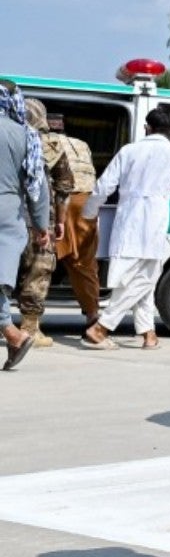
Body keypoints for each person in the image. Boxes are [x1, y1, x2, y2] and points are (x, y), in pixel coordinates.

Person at [80, 107, 170, 349]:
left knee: (137, 280)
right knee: (146, 279)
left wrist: (89, 212)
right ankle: (101, 328)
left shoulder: (128, 151)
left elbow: (104, 185)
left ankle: (149, 335)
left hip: (127, 221)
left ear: (146, 127)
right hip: (153, 223)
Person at [13, 99, 75, 352]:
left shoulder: (8, 138)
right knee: (37, 272)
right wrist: (60, 221)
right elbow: (64, 187)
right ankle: (29, 328)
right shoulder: (50, 144)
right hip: (40, 222)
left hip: (8, 218)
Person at [0, 82, 50, 369]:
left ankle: (13, 335)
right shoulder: (27, 135)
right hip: (11, 217)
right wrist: (41, 226)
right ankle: (13, 335)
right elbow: (38, 186)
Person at [47, 111, 101, 326]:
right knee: (84, 263)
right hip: (85, 202)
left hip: (56, 201)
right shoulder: (82, 144)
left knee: (39, 261)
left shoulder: (41, 141)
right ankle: (92, 315)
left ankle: (29, 321)